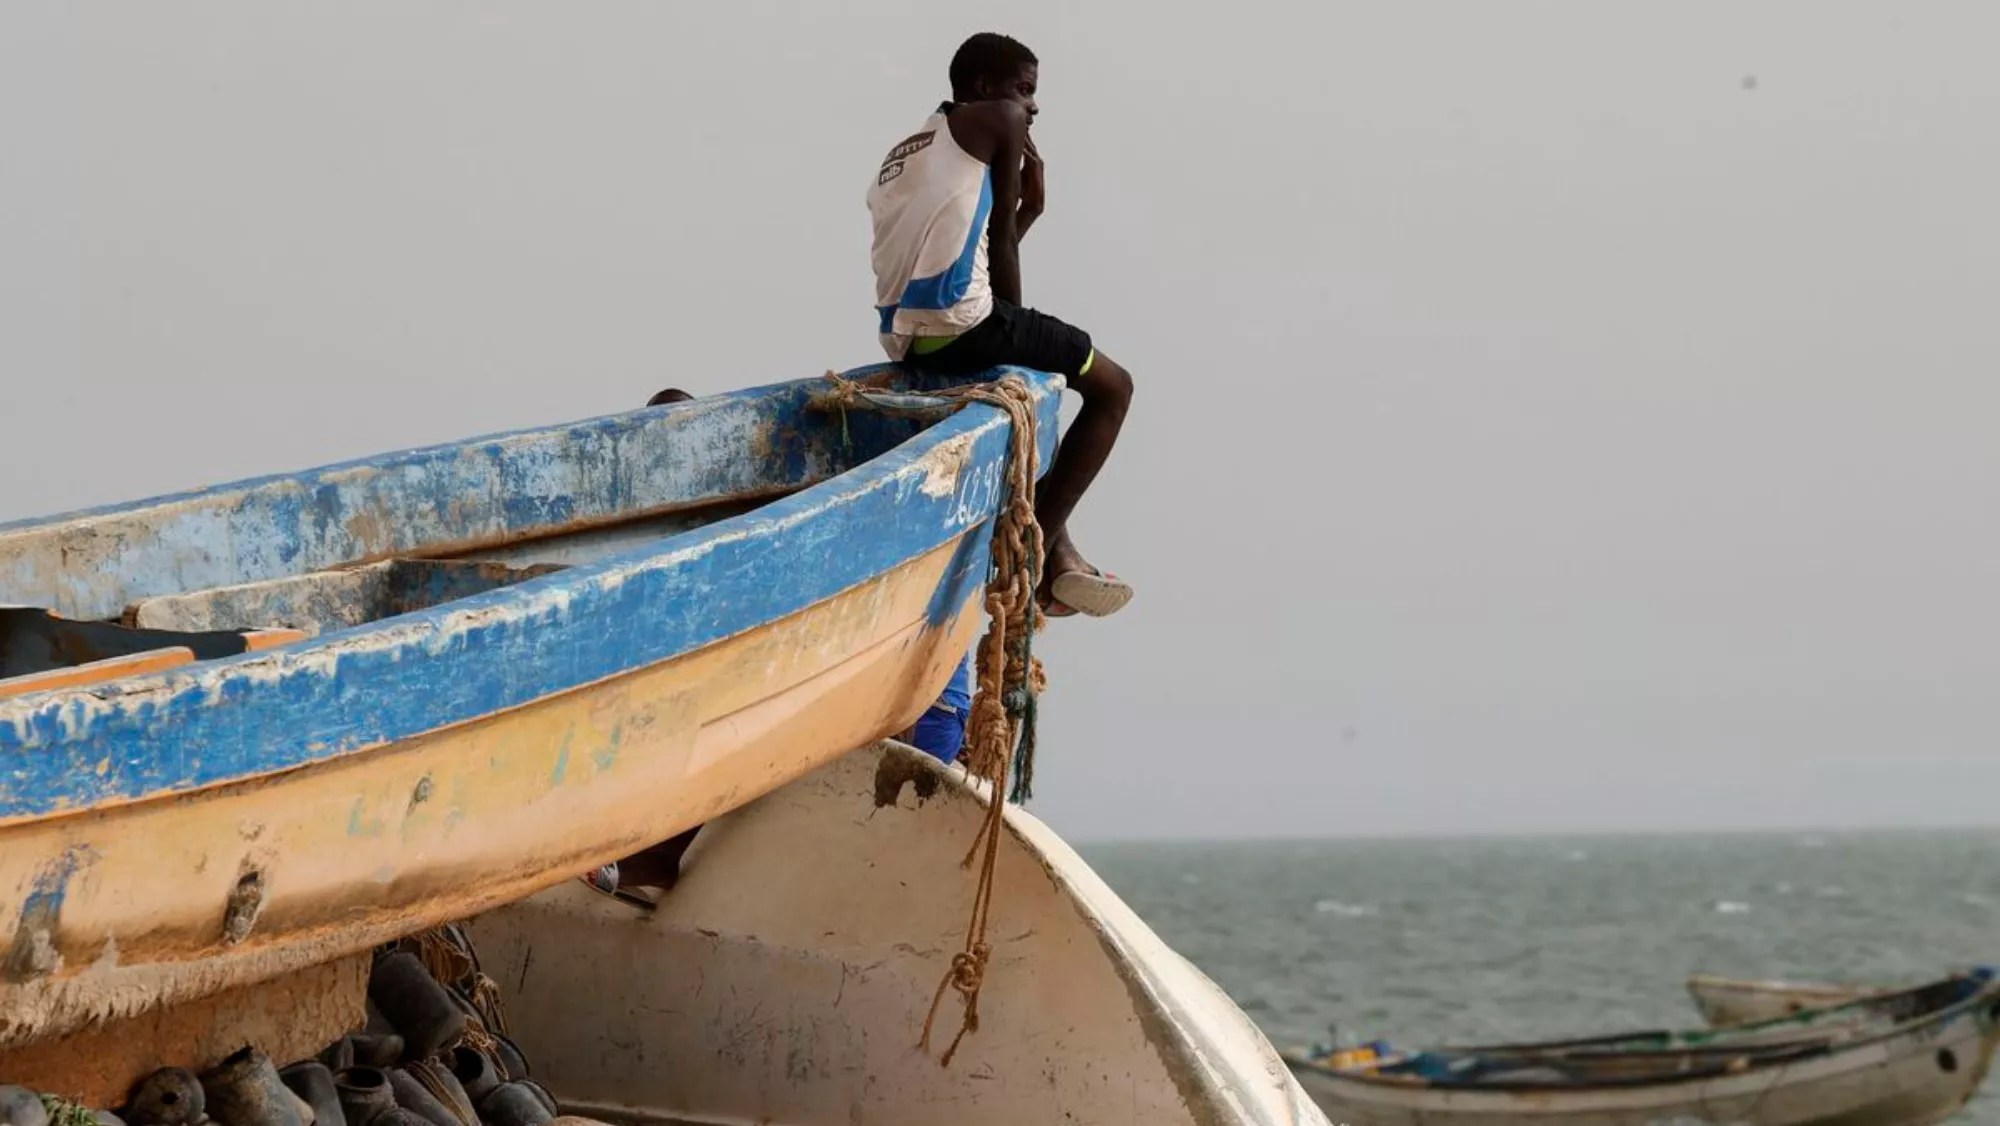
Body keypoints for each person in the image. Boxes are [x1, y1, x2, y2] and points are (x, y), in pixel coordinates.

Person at [867, 32, 1135, 620]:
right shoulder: (1001, 120)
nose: (1032, 107)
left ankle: (1061, 554)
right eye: (1024, 89)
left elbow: (973, 247)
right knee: (1114, 388)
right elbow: (1002, 245)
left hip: (910, 340)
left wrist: (1028, 211)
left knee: (1044, 384)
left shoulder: (912, 146)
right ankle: (1034, 558)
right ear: (986, 88)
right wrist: (1019, 333)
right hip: (968, 326)